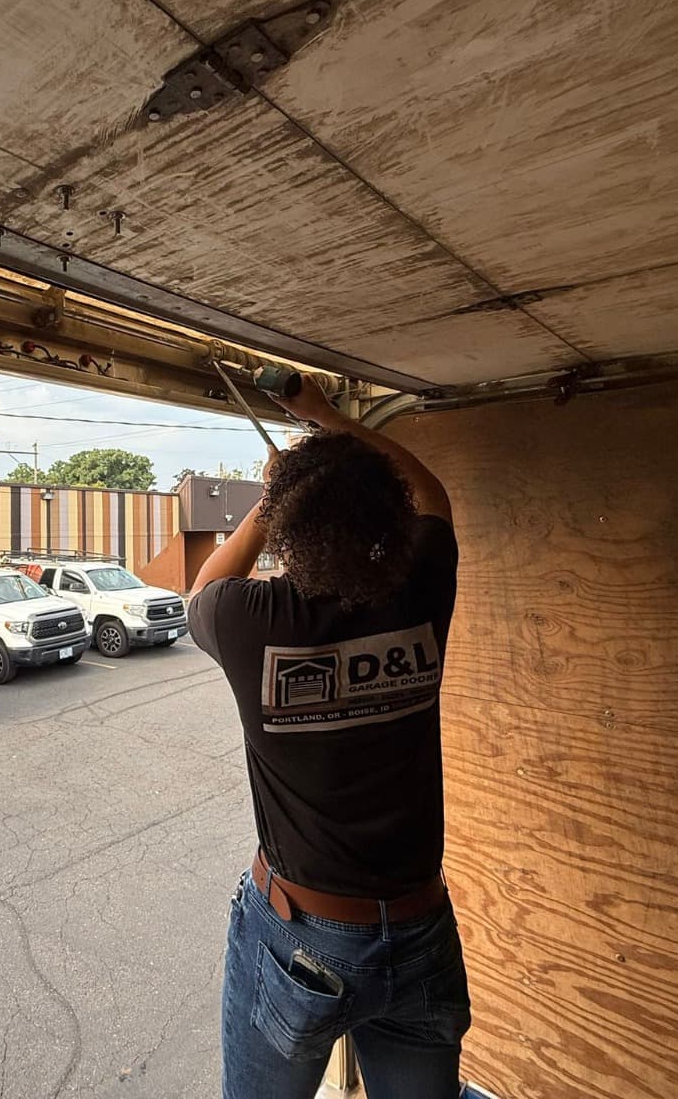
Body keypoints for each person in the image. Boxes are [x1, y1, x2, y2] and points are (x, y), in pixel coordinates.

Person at [188, 375, 470, 1099]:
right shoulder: (421, 589)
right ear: (387, 515)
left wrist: (273, 493)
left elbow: (202, 588)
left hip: (303, 939)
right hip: (419, 930)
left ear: (290, 525)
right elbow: (433, 495)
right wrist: (330, 421)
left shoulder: (251, 621)